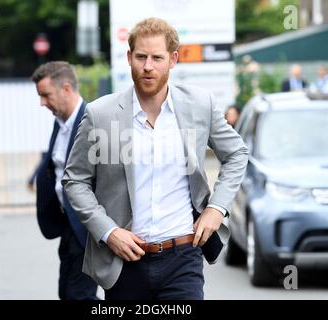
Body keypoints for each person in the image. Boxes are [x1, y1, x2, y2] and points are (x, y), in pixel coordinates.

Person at [62, 18, 248, 300]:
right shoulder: (100, 114)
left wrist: (217, 208)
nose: (148, 66)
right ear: (129, 57)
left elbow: (236, 153)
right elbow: (75, 180)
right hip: (123, 262)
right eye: (141, 57)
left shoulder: (200, 105)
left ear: (172, 59)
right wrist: (108, 231)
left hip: (183, 258)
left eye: (157, 57)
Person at [31, 61, 98, 300]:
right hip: (67, 225)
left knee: (80, 296)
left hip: (87, 228)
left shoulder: (93, 121)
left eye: (46, 95)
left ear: (66, 89)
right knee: (68, 294)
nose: (42, 103)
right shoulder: (59, 123)